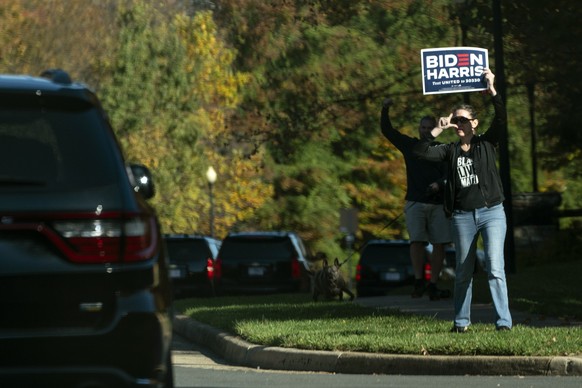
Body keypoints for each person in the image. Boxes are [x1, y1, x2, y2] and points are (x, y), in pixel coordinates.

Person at [413, 68, 512, 332]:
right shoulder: (449, 151)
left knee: (494, 267)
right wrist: (436, 129)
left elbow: (501, 120)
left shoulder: (487, 144)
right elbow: (420, 152)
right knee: (463, 271)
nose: (459, 124)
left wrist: (492, 91)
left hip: (492, 212)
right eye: (456, 120)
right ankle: (461, 323)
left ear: (474, 123)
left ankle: (503, 322)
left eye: (463, 120)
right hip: (462, 216)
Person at [380, 98, 452, 301]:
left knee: (440, 243)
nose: (426, 130)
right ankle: (419, 280)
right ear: (419, 128)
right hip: (415, 202)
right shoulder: (410, 146)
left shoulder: (442, 149)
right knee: (416, 241)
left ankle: (433, 284)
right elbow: (387, 130)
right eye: (423, 127)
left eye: (430, 127)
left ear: (436, 128)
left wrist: (440, 184)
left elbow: (450, 174)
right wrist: (385, 109)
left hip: (438, 203)